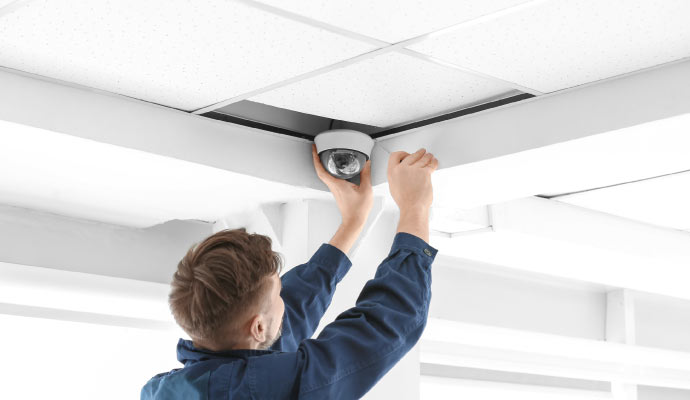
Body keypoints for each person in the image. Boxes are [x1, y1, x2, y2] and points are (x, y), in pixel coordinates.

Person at [141, 144, 439, 399]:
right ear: (256, 327)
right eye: (279, 293)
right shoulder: (268, 389)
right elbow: (389, 321)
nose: (286, 296)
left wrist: (352, 223)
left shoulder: (163, 390)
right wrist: (415, 205)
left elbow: (281, 326)